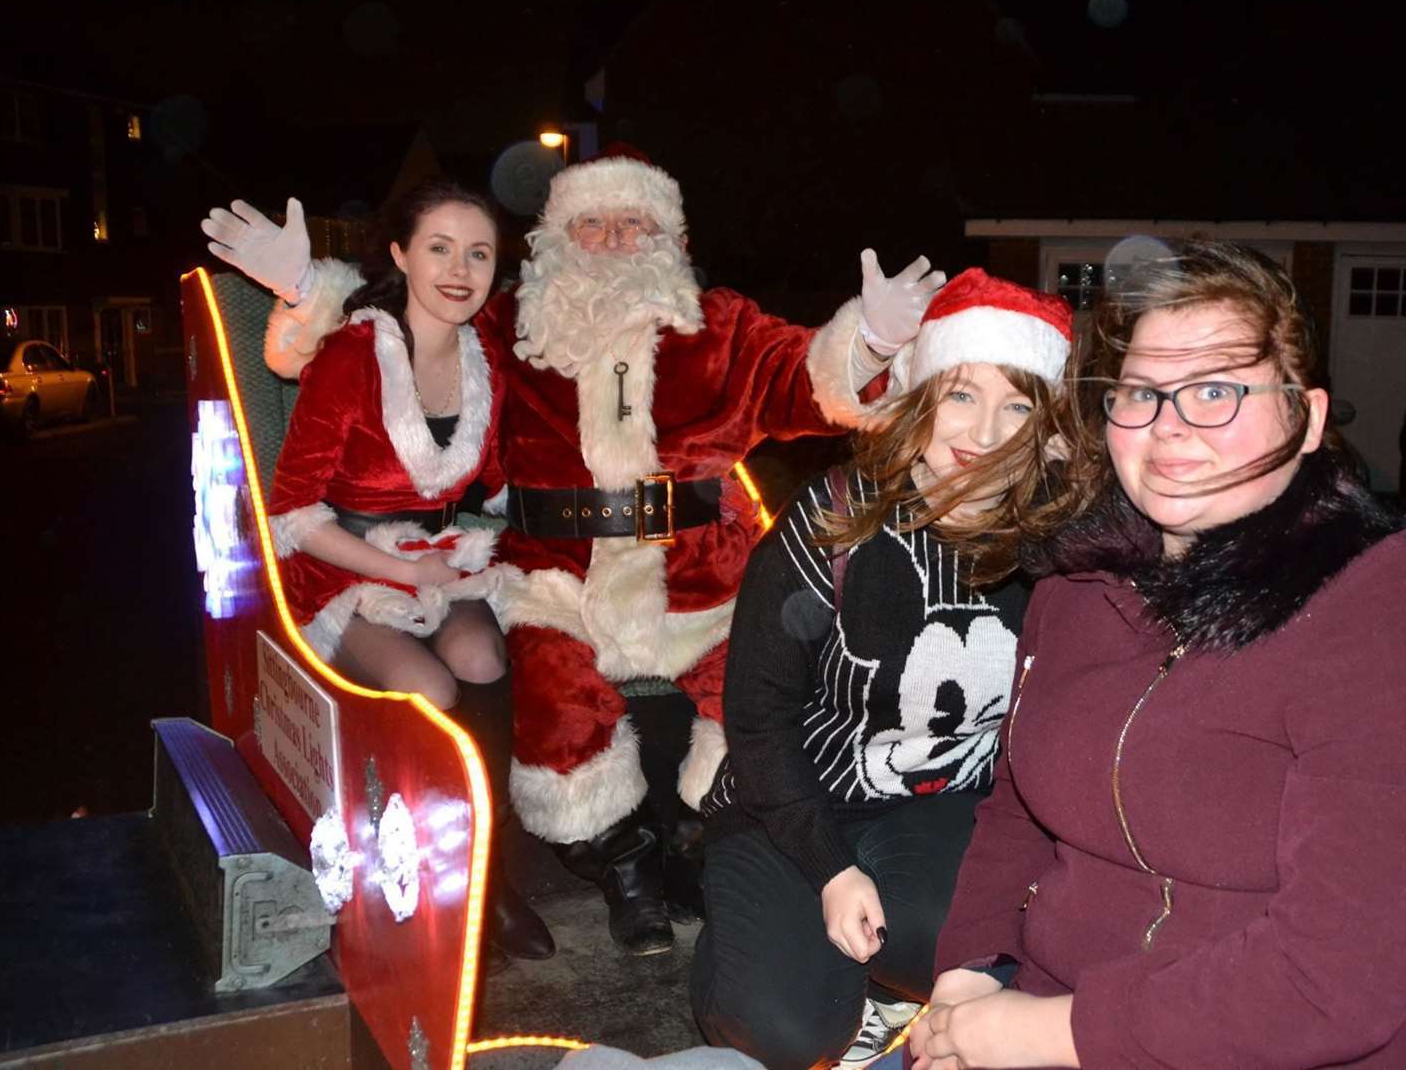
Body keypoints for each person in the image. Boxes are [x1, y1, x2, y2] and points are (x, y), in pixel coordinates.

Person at [202, 148, 944, 957]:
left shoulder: (721, 325)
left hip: (697, 577)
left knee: (754, 696)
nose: (615, 238)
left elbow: (806, 380)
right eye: (592, 222)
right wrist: (308, 287)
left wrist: (868, 339)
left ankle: (709, 842)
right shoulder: (514, 324)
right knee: (556, 703)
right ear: (556, 239)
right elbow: (391, 327)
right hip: (553, 576)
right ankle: (620, 863)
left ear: (671, 238)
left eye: (637, 223)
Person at [911, 241, 1406, 1069]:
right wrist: (968, 975)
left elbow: (1331, 980)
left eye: (1217, 391)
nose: (1171, 428)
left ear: (1309, 418)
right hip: (1049, 1013)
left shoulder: (1397, 614)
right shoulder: (1080, 588)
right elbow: (1015, 813)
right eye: (1143, 393)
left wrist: (1045, 1034)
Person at [691, 271, 1080, 1070]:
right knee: (788, 1033)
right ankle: (756, 947)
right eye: (963, 395)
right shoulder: (838, 516)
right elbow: (757, 715)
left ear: (1046, 430)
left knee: (990, 952)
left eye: (1017, 406)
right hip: (792, 802)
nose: (984, 429)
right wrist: (830, 870)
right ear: (923, 396)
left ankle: (865, 966)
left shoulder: (1059, 544)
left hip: (935, 811)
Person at [252, 180, 556, 964]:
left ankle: (487, 876)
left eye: (479, 253)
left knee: (486, 656)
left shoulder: (485, 355)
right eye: (439, 248)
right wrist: (395, 571)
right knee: (432, 687)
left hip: (432, 554)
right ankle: (429, 876)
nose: (460, 269)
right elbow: (292, 511)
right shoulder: (355, 352)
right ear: (400, 255)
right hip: (342, 564)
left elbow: (490, 478)